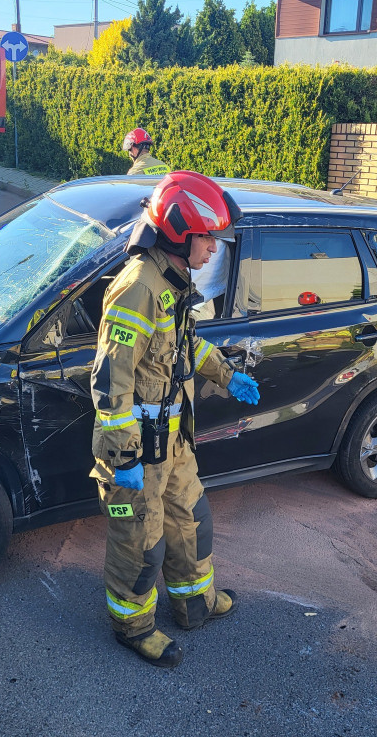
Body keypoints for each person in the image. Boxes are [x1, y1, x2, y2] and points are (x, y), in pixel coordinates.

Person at [90, 171, 261, 668]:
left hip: (171, 442)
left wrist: (226, 376)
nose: (214, 250)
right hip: (135, 451)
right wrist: (122, 458)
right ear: (182, 235)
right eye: (209, 239)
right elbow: (110, 378)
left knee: (190, 523)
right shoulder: (137, 288)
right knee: (139, 544)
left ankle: (194, 604)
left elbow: (184, 347)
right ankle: (133, 627)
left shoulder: (172, 280)